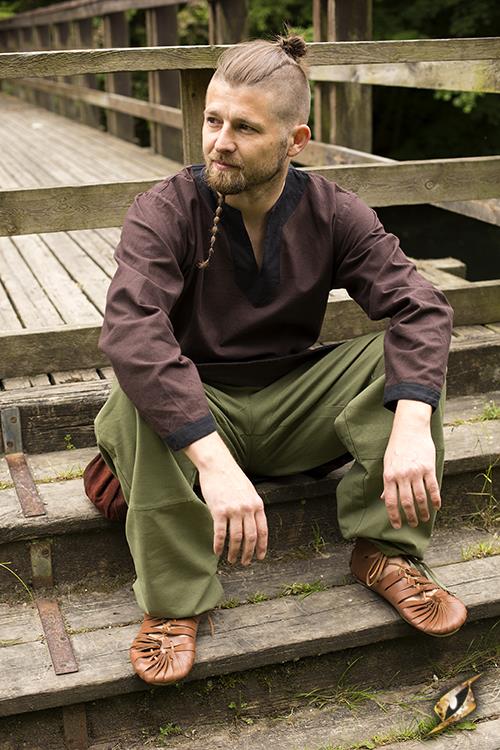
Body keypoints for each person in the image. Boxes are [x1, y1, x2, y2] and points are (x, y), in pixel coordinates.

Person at [92, 35, 468, 686]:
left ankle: (386, 551)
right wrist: (214, 465)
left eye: (244, 127)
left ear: (295, 141)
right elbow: (131, 329)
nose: (220, 143)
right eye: (213, 121)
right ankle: (175, 603)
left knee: (402, 362)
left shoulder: (333, 211)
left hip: (294, 406)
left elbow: (422, 307)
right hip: (200, 410)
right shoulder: (166, 209)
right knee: (136, 386)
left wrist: (411, 424)